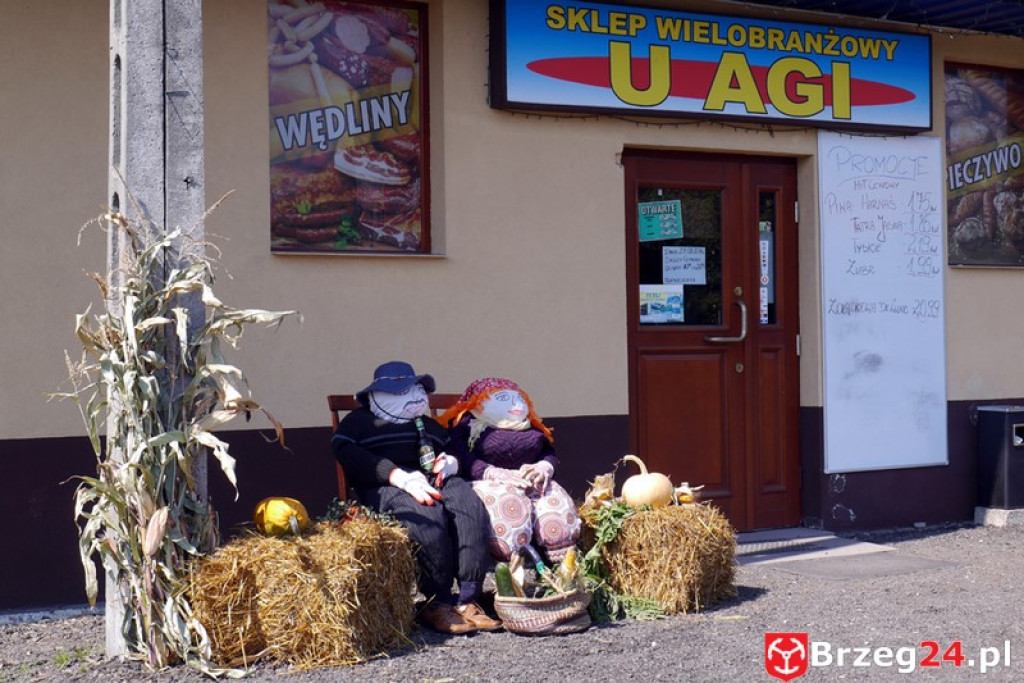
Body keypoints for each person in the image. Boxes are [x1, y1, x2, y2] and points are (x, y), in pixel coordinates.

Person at [331, 361, 501, 635]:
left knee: (468, 504)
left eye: (416, 389)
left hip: (432, 476)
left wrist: (451, 463)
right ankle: (438, 601)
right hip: (387, 483)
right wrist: (396, 475)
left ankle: (468, 597)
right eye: (399, 392)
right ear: (376, 396)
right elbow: (345, 452)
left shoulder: (428, 424)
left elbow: (452, 449)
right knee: (425, 514)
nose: (413, 397)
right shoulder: (360, 422)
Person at [440, 377, 582, 564]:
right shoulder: (468, 426)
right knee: (510, 510)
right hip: (489, 483)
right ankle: (513, 570)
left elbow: (548, 453)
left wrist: (544, 467)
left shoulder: (531, 427)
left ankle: (562, 568)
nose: (515, 403)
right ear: (479, 403)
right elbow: (462, 457)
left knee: (556, 509)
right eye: (502, 398)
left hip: (531, 483)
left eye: (519, 398)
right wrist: (491, 472)